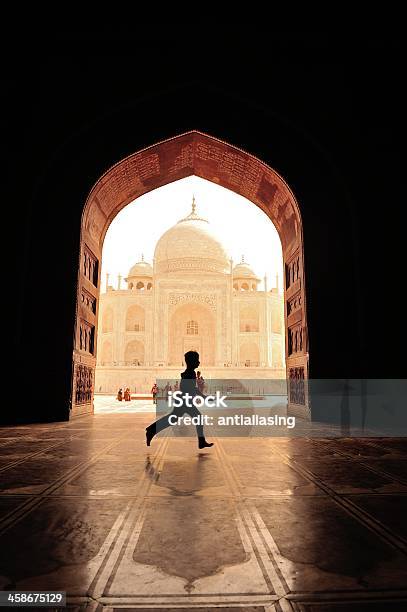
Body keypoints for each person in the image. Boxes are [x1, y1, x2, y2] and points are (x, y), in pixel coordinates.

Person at [145, 351, 214, 449]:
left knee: (173, 419)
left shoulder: (190, 372)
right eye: (197, 360)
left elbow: (190, 388)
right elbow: (191, 388)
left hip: (184, 400)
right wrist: (203, 397)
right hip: (184, 401)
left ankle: (151, 430)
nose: (199, 362)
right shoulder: (190, 373)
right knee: (196, 418)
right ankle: (201, 442)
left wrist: (201, 397)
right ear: (191, 362)